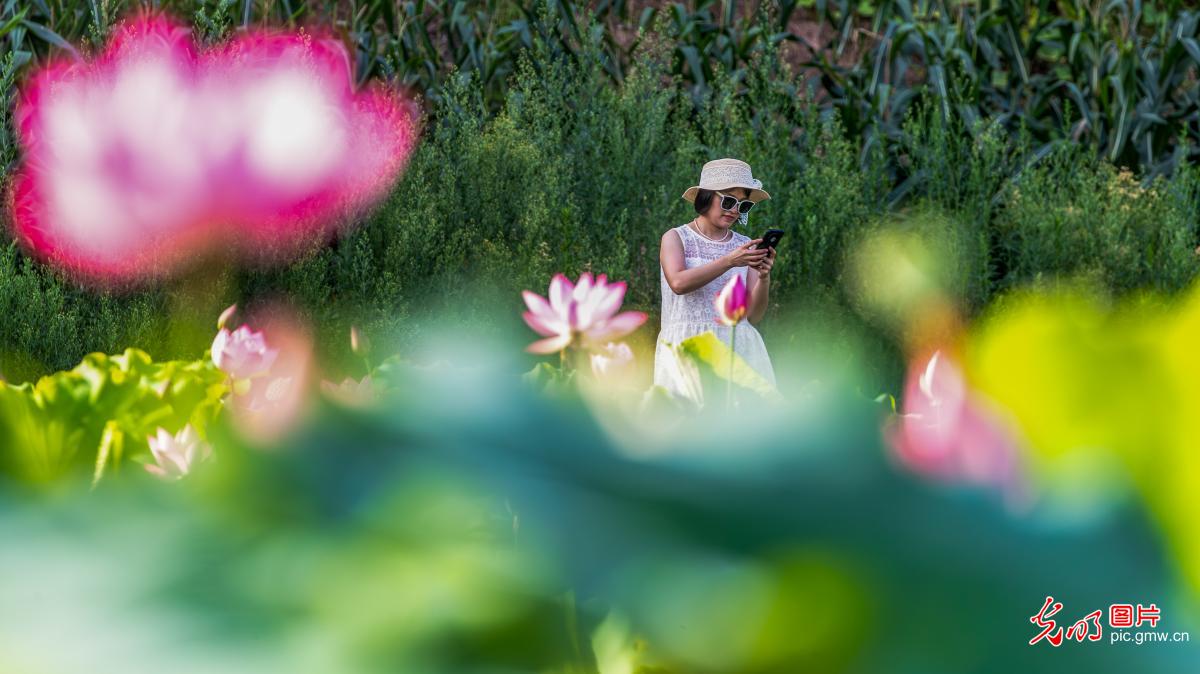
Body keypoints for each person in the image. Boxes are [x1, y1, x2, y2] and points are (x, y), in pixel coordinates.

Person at [654, 157, 778, 399]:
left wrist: (764, 277)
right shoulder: (676, 237)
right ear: (706, 197)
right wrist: (729, 262)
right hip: (687, 346)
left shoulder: (746, 247)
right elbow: (678, 283)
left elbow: (753, 316)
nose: (734, 210)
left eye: (743, 205)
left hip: (738, 347)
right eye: (729, 200)